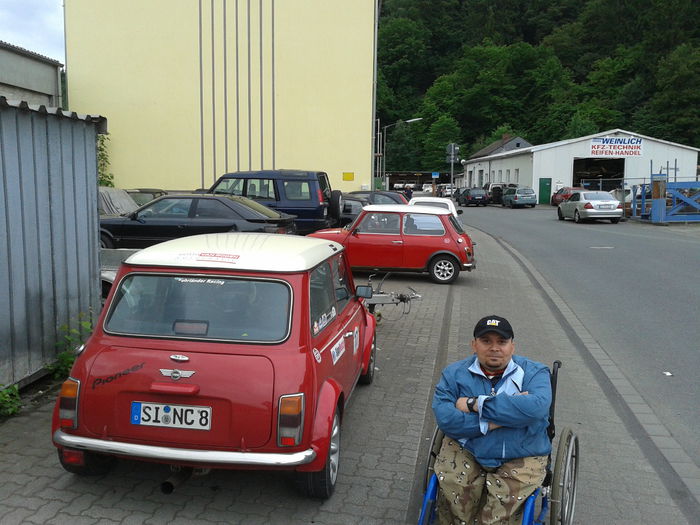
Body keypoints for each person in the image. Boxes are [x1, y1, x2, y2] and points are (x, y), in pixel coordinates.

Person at [432, 315, 552, 525]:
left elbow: (537, 408)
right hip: (468, 447)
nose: (494, 348)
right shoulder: (454, 374)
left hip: (523, 449)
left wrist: (474, 404)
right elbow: (446, 418)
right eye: (486, 341)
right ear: (474, 345)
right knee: (455, 490)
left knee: (500, 510)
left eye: (502, 342)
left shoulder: (535, 372)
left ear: (512, 346)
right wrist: (500, 419)